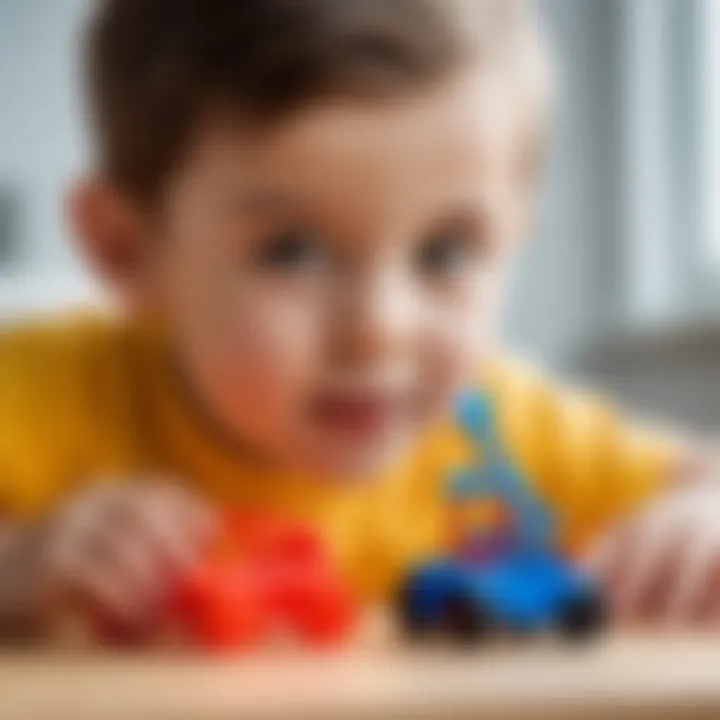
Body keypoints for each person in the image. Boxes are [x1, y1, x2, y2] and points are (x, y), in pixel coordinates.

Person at [0, 0, 715, 641]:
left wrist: (703, 520)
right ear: (127, 250)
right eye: (292, 251)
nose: (380, 328)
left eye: (445, 250)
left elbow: (702, 479)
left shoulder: (502, 429)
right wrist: (17, 568)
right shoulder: (39, 394)